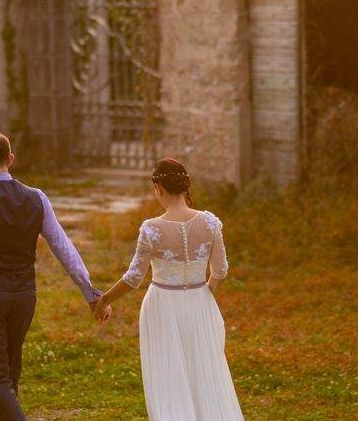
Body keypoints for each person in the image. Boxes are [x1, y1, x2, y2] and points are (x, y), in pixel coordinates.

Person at [0, 132, 109, 421]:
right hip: (24, 297)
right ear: (11, 159)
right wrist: (91, 294)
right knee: (9, 376)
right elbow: (64, 248)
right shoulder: (37, 198)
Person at [94, 158, 245, 421]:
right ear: (185, 187)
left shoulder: (152, 228)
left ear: (158, 187)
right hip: (200, 301)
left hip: (162, 305)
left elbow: (134, 278)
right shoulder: (210, 223)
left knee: (167, 375)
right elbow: (220, 270)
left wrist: (104, 299)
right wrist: (205, 292)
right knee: (204, 372)